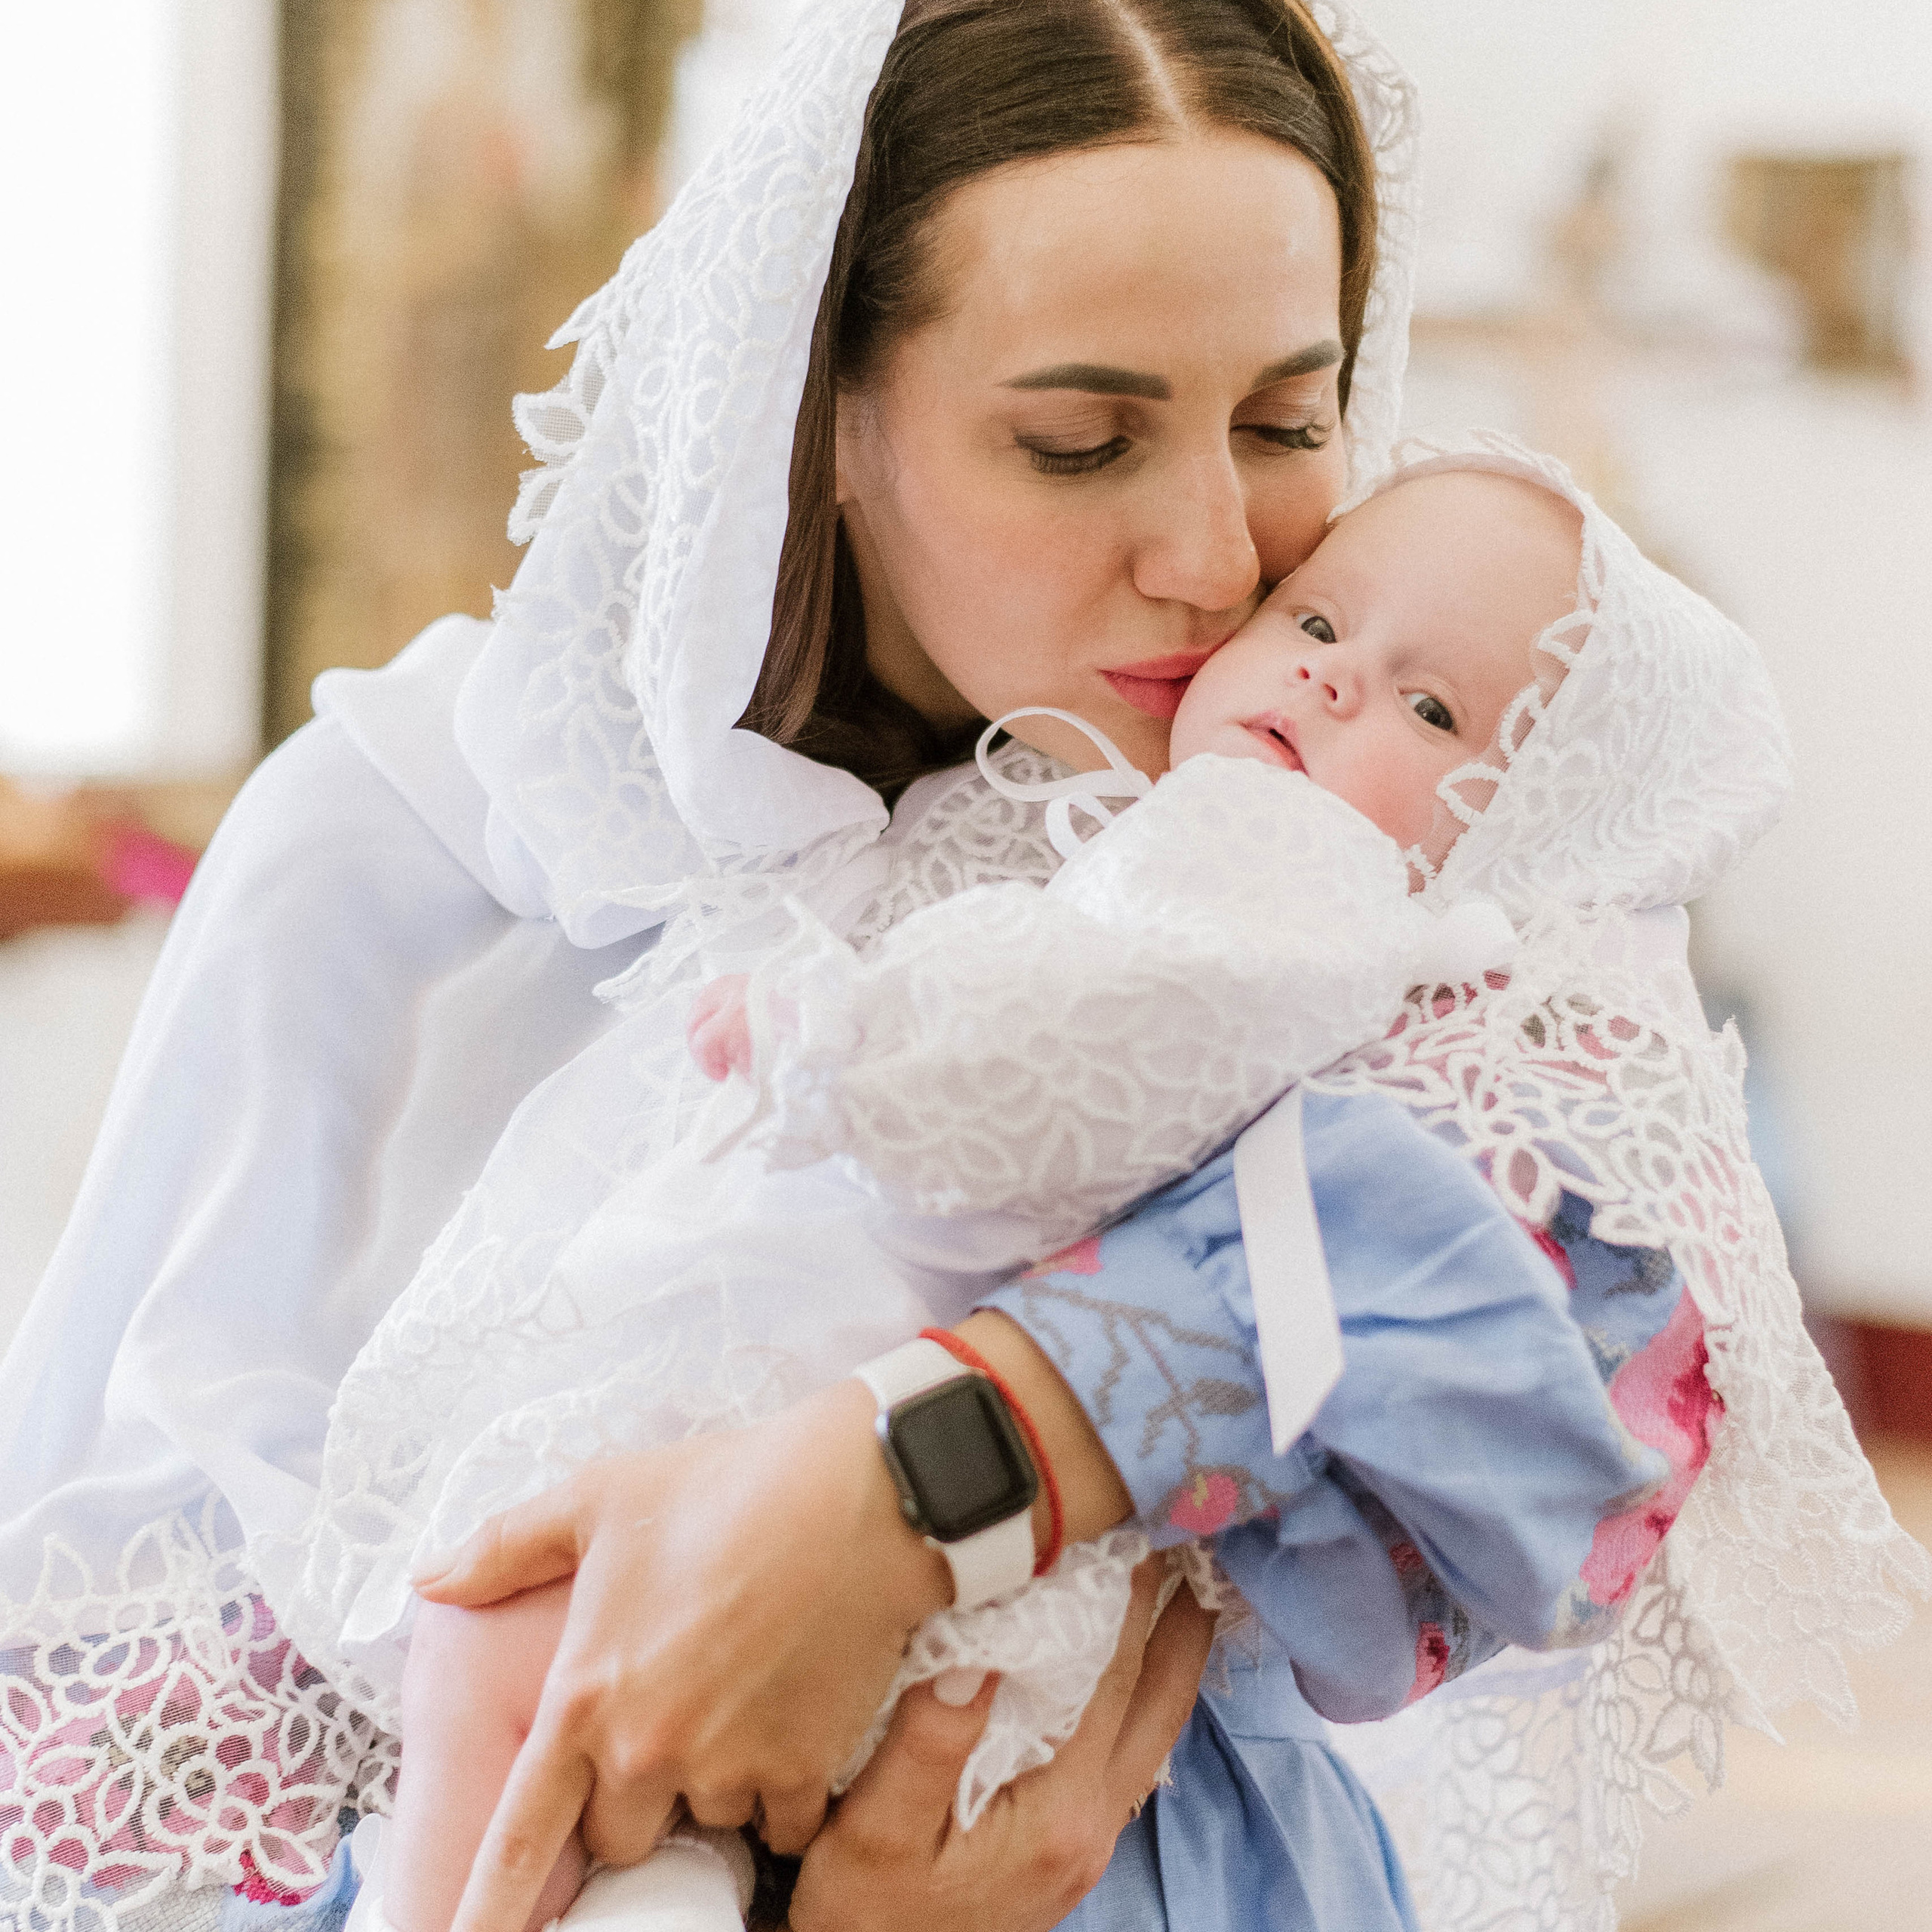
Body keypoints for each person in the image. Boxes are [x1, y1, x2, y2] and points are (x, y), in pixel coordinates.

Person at [0, 5, 1914, 1932]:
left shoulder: (1354, 839)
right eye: (1077, 440)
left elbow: (1551, 1386)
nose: (1204, 553)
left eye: (1283, 422)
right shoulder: (418, 854)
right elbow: (114, 1753)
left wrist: (919, 1468)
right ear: (814, 410)